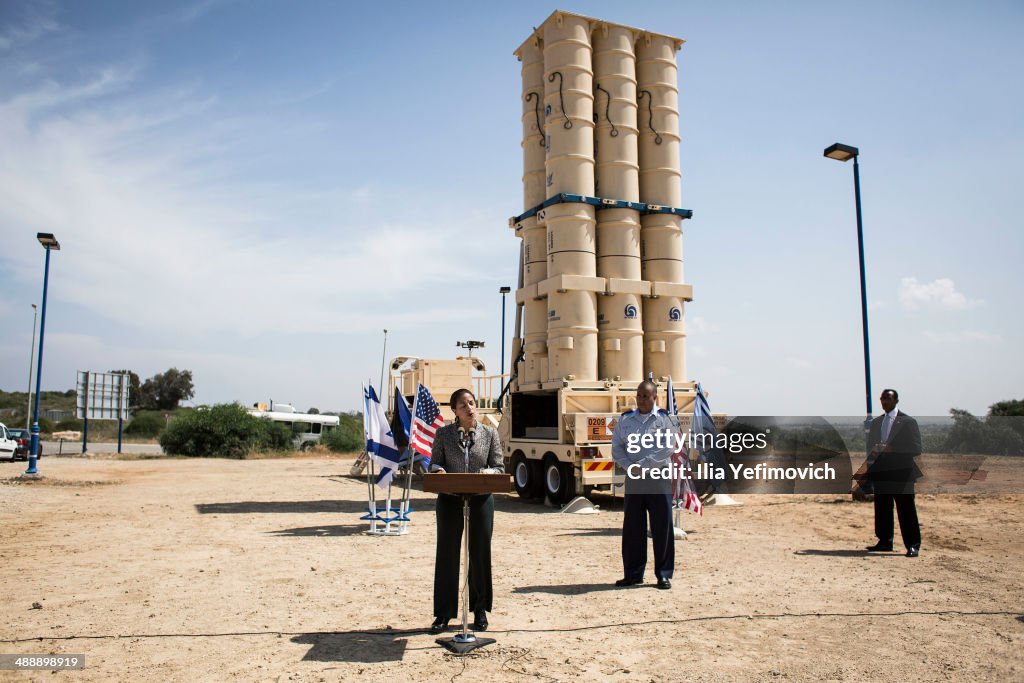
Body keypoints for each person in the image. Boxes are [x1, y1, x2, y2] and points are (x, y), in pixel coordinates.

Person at [429, 388, 504, 633]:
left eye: (472, 403)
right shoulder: (443, 434)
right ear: (455, 411)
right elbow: (435, 463)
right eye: (463, 405)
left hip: (481, 500)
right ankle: (444, 613)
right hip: (450, 500)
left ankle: (480, 609)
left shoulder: (490, 433)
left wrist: (489, 473)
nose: (470, 408)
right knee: (448, 555)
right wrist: (438, 471)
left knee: (480, 555)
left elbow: (498, 466)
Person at [611, 380, 676, 589]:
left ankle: (663, 575)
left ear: (655, 398)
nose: (641, 399)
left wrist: (644, 464)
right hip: (635, 479)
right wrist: (630, 466)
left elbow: (668, 447)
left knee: (662, 526)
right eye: (639, 395)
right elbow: (617, 447)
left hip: (658, 478)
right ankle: (633, 573)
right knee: (633, 527)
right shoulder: (626, 420)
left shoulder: (664, 419)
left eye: (646, 396)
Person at [864, 389, 923, 557]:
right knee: (882, 507)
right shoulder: (876, 423)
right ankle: (884, 541)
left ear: (896, 400)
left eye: (888, 398)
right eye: (882, 398)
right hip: (882, 470)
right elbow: (871, 447)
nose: (885, 401)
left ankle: (913, 544)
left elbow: (916, 448)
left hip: (902, 472)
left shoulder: (907, 422)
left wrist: (893, 449)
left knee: (906, 509)